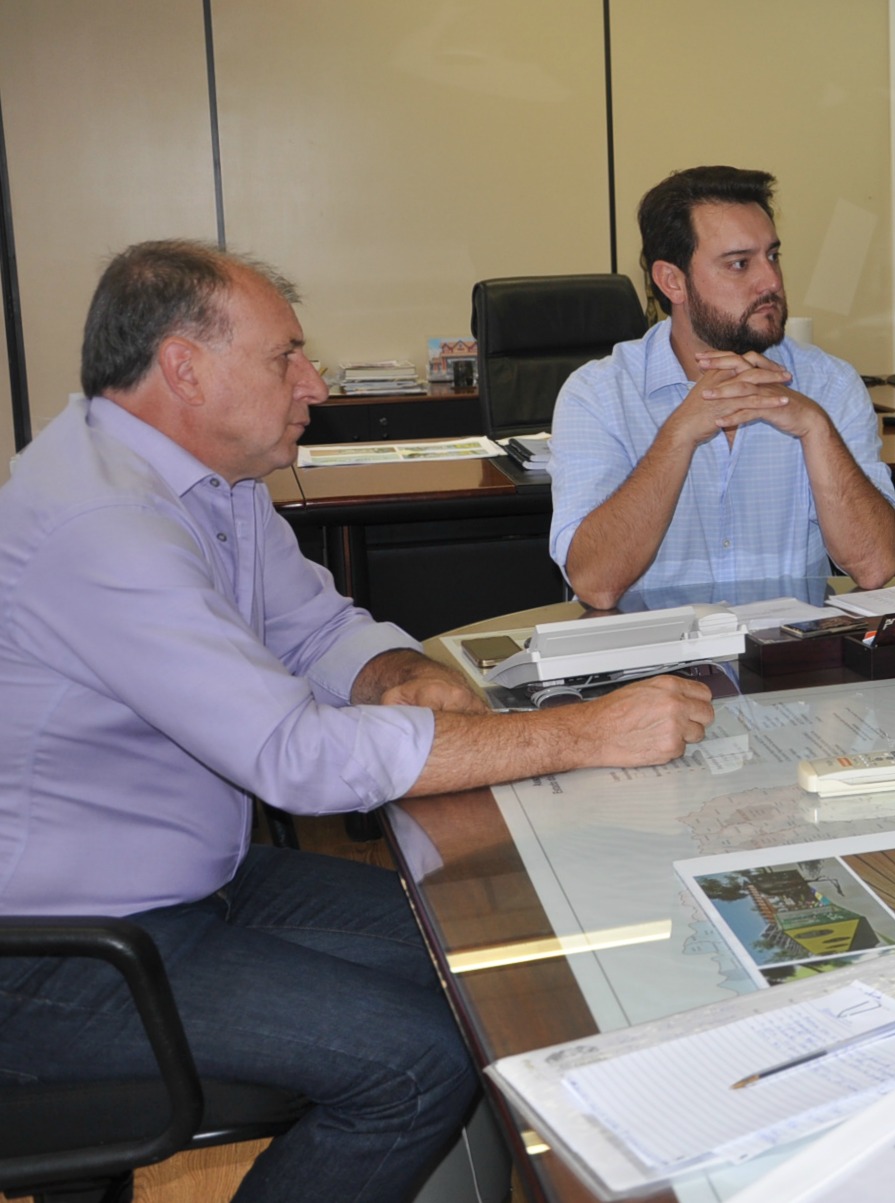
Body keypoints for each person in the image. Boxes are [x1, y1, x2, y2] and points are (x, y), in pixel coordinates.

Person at [0, 240, 718, 1202]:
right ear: (183, 367)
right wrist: (584, 732)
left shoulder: (209, 483)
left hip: (191, 881)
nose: (313, 383)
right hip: (56, 949)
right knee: (415, 1064)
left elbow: (315, 627)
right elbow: (292, 756)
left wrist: (401, 673)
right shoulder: (102, 524)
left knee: (484, 957)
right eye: (285, 357)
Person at [550, 166, 895, 610]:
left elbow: (875, 567)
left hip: (791, 649)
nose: (771, 281)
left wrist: (816, 429)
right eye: (739, 264)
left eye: (772, 256)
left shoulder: (829, 383)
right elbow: (596, 585)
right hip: (658, 652)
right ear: (672, 281)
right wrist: (679, 435)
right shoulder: (598, 394)